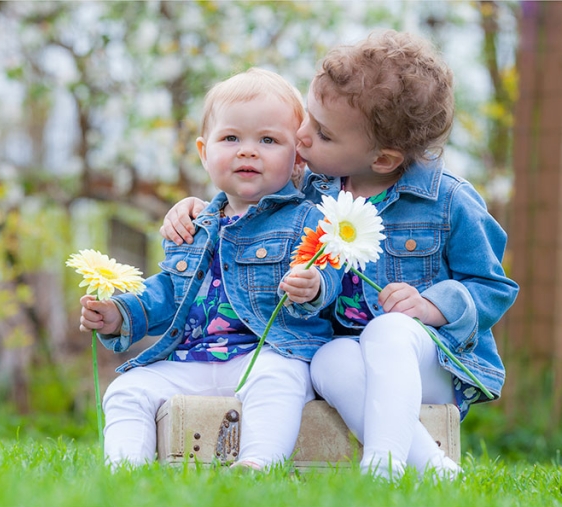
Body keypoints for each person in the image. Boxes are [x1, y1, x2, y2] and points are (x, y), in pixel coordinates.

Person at [160, 30, 519, 481]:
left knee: (388, 330)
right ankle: (436, 470)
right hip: (352, 354)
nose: (302, 137)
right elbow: (246, 201)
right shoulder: (312, 188)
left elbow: (493, 287)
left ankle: (383, 467)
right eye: (308, 119)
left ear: (384, 158)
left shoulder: (447, 201)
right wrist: (196, 210)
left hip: (433, 362)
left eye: (323, 134)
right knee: (328, 359)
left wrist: (433, 306)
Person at [79, 68, 342, 470]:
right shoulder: (194, 225)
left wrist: (315, 286)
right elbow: (169, 291)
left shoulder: (306, 219)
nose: (247, 150)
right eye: (231, 138)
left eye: (268, 140)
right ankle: (125, 471)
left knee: (280, 380)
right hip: (192, 360)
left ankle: (257, 464)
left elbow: (331, 274)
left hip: (264, 353)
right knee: (127, 388)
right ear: (204, 152)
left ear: (297, 160)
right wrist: (119, 314)